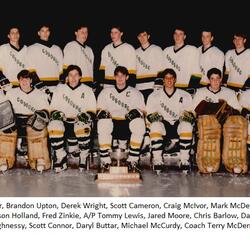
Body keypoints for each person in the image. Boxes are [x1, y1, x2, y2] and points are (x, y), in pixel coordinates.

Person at [48, 65, 96, 173]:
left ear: (80, 77)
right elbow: (53, 109)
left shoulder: (87, 90)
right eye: (70, 75)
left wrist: (83, 116)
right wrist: (59, 114)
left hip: (80, 123)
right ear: (67, 77)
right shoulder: (59, 89)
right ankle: (61, 156)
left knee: (82, 125)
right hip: (65, 122)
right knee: (53, 125)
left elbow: (92, 111)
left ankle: (83, 157)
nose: (73, 78)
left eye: (76, 75)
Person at [97, 66, 145, 172]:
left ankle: (133, 160)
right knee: (103, 122)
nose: (120, 78)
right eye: (117, 76)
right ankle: (105, 160)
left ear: (127, 77)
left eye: (122, 76)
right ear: (114, 77)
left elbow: (141, 112)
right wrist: (103, 114)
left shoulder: (135, 93)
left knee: (139, 123)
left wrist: (135, 113)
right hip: (112, 124)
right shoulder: (105, 92)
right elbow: (99, 111)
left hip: (127, 125)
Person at [146, 68, 194, 172]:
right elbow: (149, 115)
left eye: (171, 78)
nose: (169, 80)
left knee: (187, 125)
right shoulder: (154, 95)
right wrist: (155, 117)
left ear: (175, 79)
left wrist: (187, 116)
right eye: (166, 78)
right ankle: (157, 159)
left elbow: (191, 114)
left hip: (178, 124)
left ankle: (184, 159)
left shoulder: (184, 95)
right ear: (163, 80)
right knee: (155, 125)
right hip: (163, 125)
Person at [5, 69, 50, 172]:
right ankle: (4, 159)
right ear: (18, 81)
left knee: (38, 130)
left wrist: (38, 120)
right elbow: (5, 109)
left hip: (33, 121)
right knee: (4, 131)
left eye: (26, 79)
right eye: (21, 80)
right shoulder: (11, 93)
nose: (24, 82)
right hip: (16, 121)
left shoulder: (40, 94)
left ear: (31, 80)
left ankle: (39, 160)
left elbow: (45, 112)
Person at [26, 24, 63, 96]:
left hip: (56, 87)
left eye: (47, 31)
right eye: (42, 31)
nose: (45, 33)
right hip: (39, 88)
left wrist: (60, 85)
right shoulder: (32, 48)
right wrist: (40, 86)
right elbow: (30, 70)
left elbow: (61, 70)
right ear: (38, 33)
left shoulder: (57, 49)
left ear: (50, 32)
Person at [162, 27, 201, 92]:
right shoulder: (166, 50)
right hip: (168, 87)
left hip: (185, 88)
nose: (177, 36)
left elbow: (197, 73)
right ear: (173, 35)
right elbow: (163, 70)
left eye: (180, 34)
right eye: (176, 34)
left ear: (184, 36)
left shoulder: (192, 50)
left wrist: (192, 88)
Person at [135, 29, 163, 101]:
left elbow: (162, 68)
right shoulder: (135, 52)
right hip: (139, 87)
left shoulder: (157, 49)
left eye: (144, 35)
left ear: (148, 36)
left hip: (153, 86)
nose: (142, 37)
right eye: (140, 36)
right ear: (138, 38)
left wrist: (158, 86)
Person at [0, 26, 27, 92]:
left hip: (23, 85)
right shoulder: (3, 48)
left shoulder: (25, 48)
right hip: (8, 86)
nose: (15, 35)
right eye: (12, 33)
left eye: (17, 32)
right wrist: (2, 80)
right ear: (8, 36)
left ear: (19, 35)